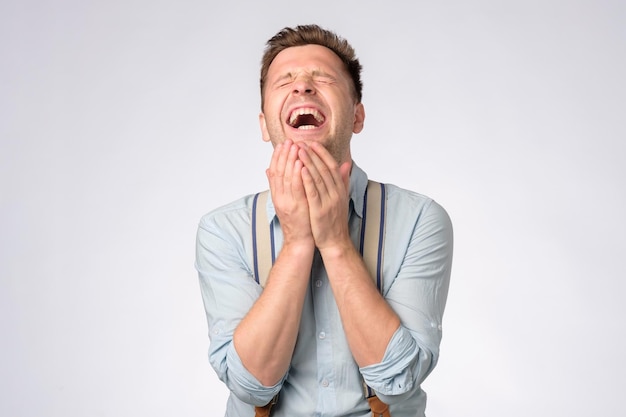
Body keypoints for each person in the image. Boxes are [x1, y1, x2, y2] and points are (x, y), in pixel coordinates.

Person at [196, 24, 453, 417]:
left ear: (356, 116)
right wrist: (299, 242)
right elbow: (250, 386)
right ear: (265, 124)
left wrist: (334, 242)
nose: (302, 87)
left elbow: (398, 380)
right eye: (286, 80)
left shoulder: (420, 220)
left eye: (323, 78)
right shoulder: (222, 231)